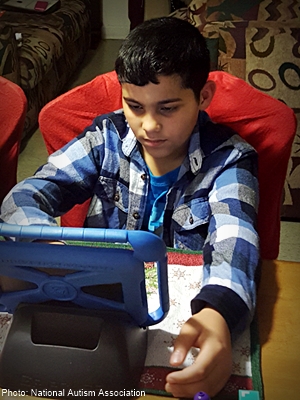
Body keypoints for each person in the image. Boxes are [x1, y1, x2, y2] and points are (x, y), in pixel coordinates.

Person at [0, 17, 259, 398]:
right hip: (96, 301)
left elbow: (236, 244)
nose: (148, 125)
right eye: (134, 106)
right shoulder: (105, 137)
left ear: (203, 96)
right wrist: (48, 250)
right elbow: (24, 197)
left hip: (177, 313)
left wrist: (218, 313)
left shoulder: (231, 159)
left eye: (168, 108)